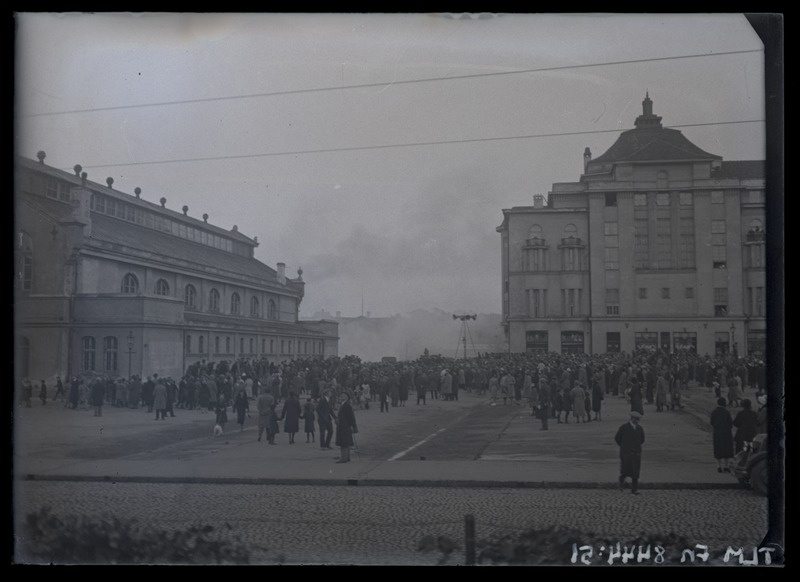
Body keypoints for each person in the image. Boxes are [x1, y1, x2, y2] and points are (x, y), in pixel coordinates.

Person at [614, 411, 645, 495]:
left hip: (636, 453)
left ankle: (634, 489)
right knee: (625, 470)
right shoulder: (624, 427)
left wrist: (636, 447)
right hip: (626, 453)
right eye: (636, 419)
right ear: (632, 419)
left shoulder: (639, 429)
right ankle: (621, 482)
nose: (637, 421)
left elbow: (642, 439)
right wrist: (624, 446)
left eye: (638, 420)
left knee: (635, 472)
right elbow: (617, 438)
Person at [709, 397, 734, 473]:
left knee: (718, 448)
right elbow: (730, 423)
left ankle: (719, 466)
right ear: (724, 403)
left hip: (717, 432)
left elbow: (712, 422)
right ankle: (726, 466)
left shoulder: (714, 412)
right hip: (726, 432)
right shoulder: (726, 412)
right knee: (727, 448)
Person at [334, 392, 359, 463]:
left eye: (343, 395)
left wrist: (352, 426)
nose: (341, 396)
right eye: (341, 395)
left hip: (345, 426)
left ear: (347, 397)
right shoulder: (343, 404)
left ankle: (343, 458)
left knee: (344, 442)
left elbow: (351, 417)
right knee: (346, 441)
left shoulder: (347, 405)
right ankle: (347, 457)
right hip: (343, 425)